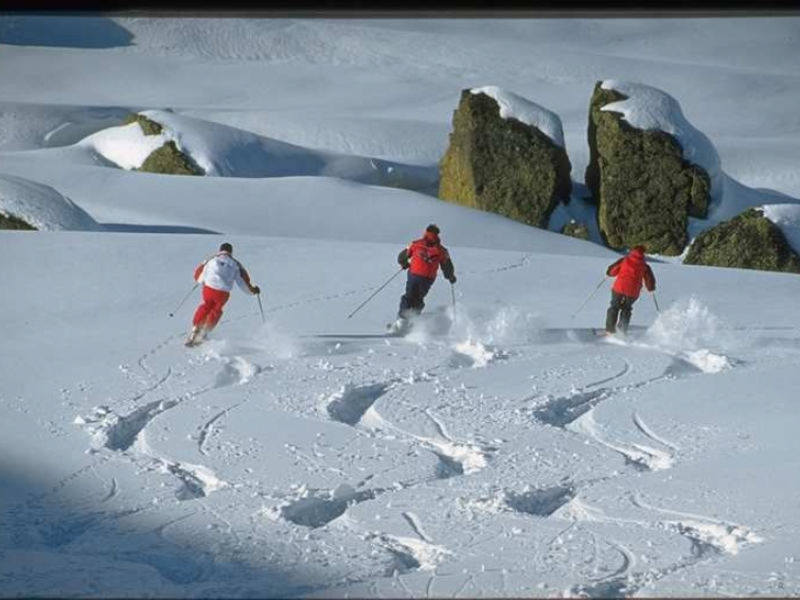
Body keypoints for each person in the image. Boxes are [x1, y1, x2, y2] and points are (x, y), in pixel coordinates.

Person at [186, 242, 260, 346]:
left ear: (220, 250)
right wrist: (253, 291)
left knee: (206, 305)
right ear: (231, 252)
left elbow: (199, 272)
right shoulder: (236, 264)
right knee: (217, 309)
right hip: (223, 293)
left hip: (209, 289)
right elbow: (243, 282)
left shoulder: (212, 259)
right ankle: (205, 331)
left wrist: (200, 281)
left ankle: (196, 328)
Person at [391, 224, 456, 332]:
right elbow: (447, 265)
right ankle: (413, 321)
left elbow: (402, 256)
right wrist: (450, 277)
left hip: (414, 274)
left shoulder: (416, 244)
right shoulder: (441, 250)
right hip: (428, 278)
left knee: (409, 296)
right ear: (437, 235)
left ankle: (401, 321)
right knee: (419, 298)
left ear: (426, 232)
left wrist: (404, 263)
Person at [604, 245, 656, 335]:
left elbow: (612, 271)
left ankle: (610, 329)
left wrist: (609, 273)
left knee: (614, 306)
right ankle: (622, 330)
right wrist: (651, 288)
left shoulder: (624, 260)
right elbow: (649, 280)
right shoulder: (645, 266)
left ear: (632, 251)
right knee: (627, 309)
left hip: (619, 288)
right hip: (633, 292)